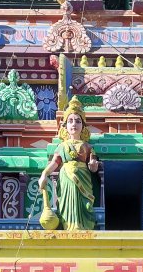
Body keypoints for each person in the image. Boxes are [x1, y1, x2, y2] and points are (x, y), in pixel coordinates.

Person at [38, 97, 100, 231]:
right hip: (66, 178)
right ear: (65, 125)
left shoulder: (88, 146)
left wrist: (93, 165)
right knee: (67, 204)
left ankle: (82, 226)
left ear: (83, 126)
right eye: (70, 121)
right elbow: (54, 163)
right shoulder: (62, 146)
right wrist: (44, 174)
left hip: (83, 177)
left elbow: (93, 168)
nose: (74, 124)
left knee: (84, 205)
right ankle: (68, 225)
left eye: (78, 121)